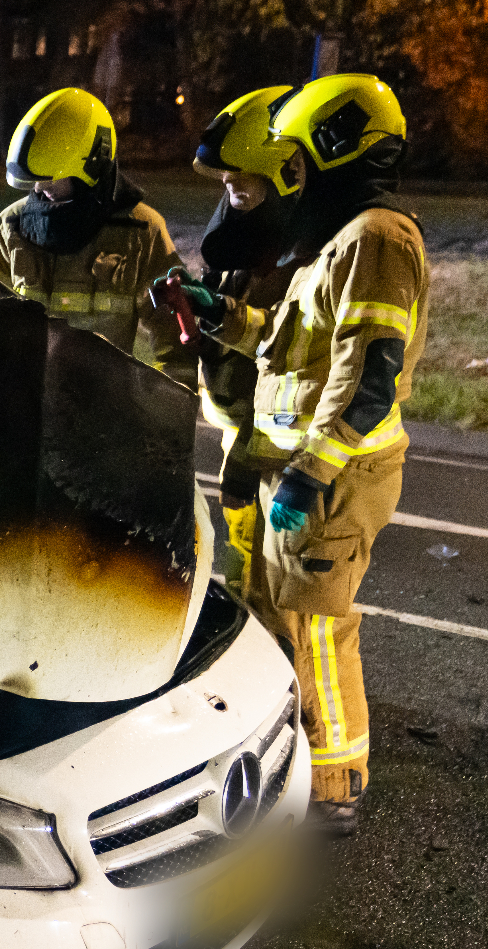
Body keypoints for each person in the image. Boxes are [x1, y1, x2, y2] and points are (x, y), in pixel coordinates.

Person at [161, 74, 426, 836]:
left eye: (300, 165)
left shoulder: (376, 239)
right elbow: (288, 351)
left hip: (335, 476)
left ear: (336, 151)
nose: (291, 184)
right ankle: (294, 753)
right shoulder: (338, 243)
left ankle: (337, 784)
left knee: (318, 626)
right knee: (279, 614)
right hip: (304, 465)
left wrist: (311, 475)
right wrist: (218, 316)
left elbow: (367, 377)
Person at [0, 87, 197, 384]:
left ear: (91, 165)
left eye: (50, 176)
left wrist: (165, 417)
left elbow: (176, 344)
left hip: (102, 414)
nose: (38, 189)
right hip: (25, 413)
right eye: (35, 179)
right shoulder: (12, 225)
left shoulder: (140, 231)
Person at [188, 85, 303, 590]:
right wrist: (190, 305)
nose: (231, 187)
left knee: (281, 586)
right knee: (242, 564)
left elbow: (284, 338)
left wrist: (220, 313)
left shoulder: (308, 254)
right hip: (242, 420)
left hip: (280, 433)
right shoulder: (239, 233)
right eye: (226, 179)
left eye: (244, 180)